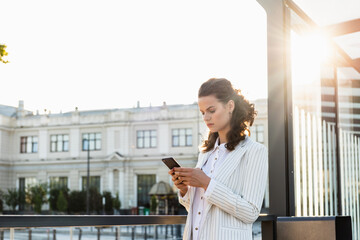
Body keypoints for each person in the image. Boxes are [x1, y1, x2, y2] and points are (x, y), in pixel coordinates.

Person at [169, 78, 268, 240]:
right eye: (202, 112)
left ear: (230, 106)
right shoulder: (206, 153)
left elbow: (250, 212)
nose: (206, 118)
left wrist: (206, 183)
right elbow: (200, 209)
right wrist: (185, 190)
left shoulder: (254, 151)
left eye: (211, 110)